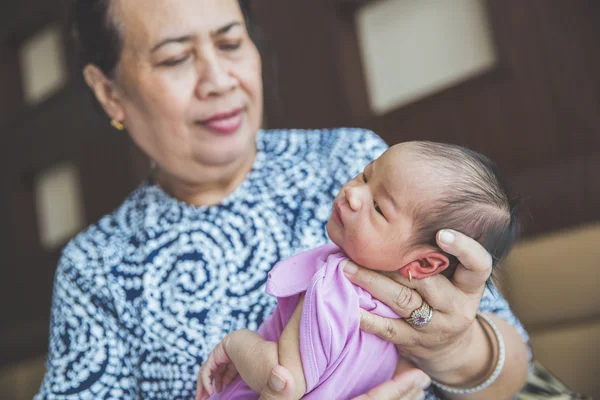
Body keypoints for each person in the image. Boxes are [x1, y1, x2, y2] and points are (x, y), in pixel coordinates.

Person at [35, 1, 531, 399]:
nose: (219, 80)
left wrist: (454, 347)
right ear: (109, 93)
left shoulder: (354, 161)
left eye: (230, 43)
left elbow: (513, 374)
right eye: (175, 58)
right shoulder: (95, 267)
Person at [196, 141, 520, 399]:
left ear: (424, 264)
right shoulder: (401, 323)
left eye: (379, 208)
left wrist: (235, 344)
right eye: (365, 175)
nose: (352, 193)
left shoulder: (333, 289)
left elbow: (283, 379)